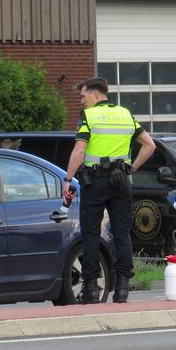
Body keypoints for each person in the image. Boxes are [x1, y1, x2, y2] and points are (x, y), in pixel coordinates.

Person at [62, 77, 155, 304]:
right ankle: (122, 287)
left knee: (91, 234)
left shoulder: (89, 116)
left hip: (95, 182)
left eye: (83, 97)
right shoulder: (125, 114)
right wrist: (131, 168)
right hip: (121, 181)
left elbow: (79, 150)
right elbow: (149, 145)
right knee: (122, 233)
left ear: (95, 95)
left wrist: (68, 179)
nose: (82, 102)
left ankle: (91, 288)